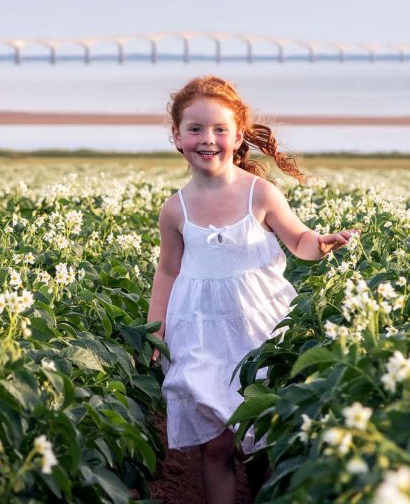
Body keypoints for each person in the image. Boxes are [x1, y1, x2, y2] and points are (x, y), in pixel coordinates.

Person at [148, 76, 357, 504]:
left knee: (262, 434)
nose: (208, 139)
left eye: (220, 129)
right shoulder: (175, 208)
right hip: (199, 330)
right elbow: (167, 270)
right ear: (176, 137)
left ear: (238, 136)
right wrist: (155, 327)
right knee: (216, 444)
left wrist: (321, 243)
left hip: (259, 329)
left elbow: (298, 240)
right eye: (195, 129)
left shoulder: (260, 193)